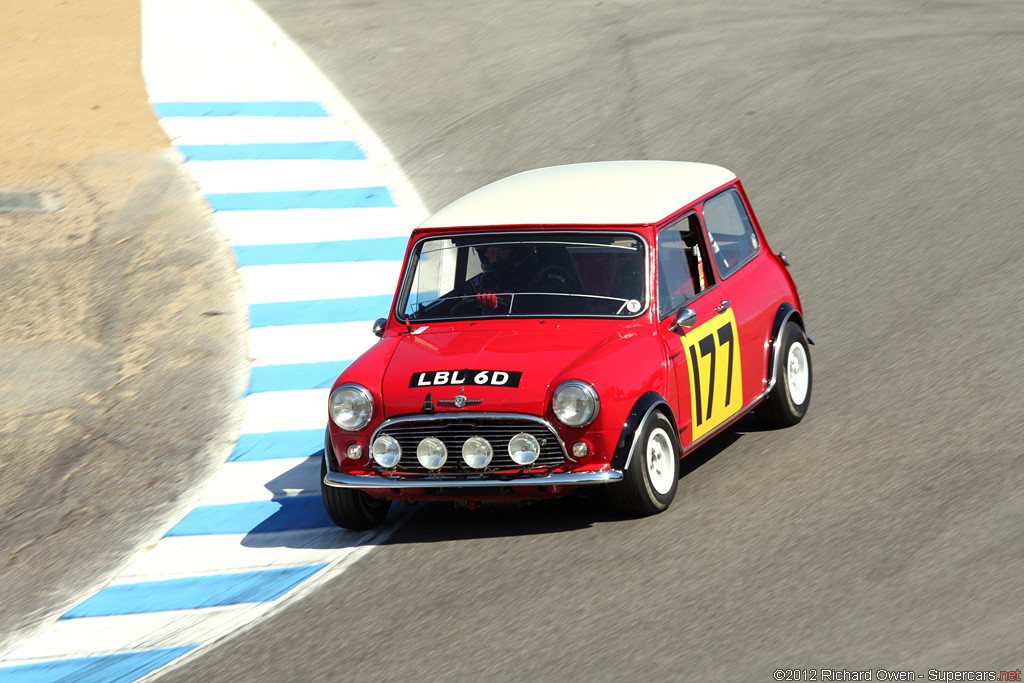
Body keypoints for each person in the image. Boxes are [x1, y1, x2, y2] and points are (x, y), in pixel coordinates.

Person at [464, 243, 575, 313]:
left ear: (519, 252)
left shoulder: (549, 275)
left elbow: (545, 303)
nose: (495, 258)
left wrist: (506, 300)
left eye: (502, 251)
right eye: (491, 253)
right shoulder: (483, 282)